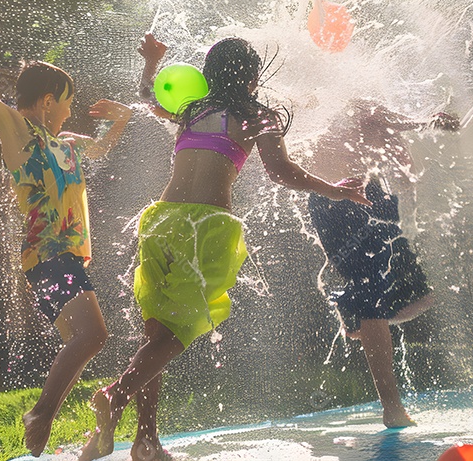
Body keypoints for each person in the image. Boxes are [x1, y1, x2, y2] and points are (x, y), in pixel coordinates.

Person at [79, 34, 371, 461]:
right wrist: (337, 192)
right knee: (185, 326)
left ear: (208, 75)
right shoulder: (258, 116)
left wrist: (151, 64)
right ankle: (116, 395)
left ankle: (145, 441)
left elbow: (147, 98)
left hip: (161, 220)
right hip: (205, 227)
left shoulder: (193, 110)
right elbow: (282, 172)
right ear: (253, 76)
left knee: (156, 332)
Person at [0, 9, 133, 457]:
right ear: (48, 100)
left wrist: (122, 117)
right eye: (68, 101)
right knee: (92, 336)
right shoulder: (16, 128)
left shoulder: (66, 143)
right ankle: (42, 413)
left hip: (63, 258)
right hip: (48, 256)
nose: (71, 109)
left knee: (86, 338)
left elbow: (104, 145)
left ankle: (51, 418)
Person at [305, 98, 459, 427]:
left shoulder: (337, 108)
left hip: (355, 196)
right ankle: (392, 407)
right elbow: (389, 121)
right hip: (344, 196)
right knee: (372, 298)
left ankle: (361, 314)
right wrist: (429, 121)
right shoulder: (354, 101)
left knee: (422, 296)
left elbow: (399, 156)